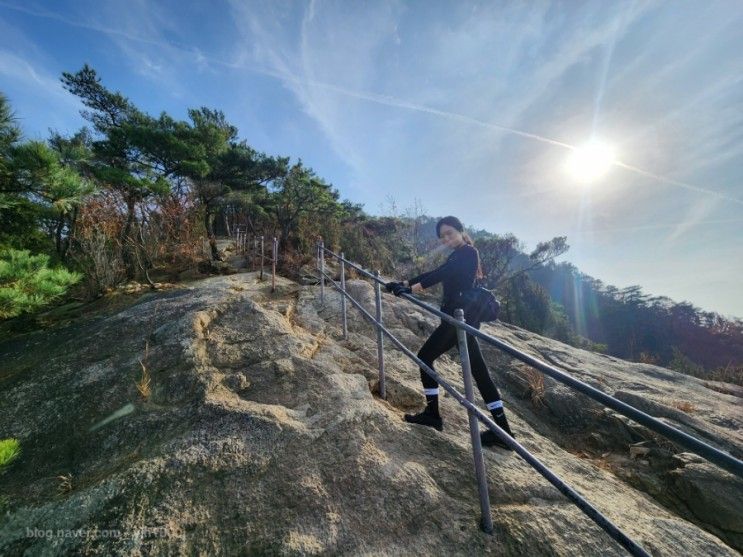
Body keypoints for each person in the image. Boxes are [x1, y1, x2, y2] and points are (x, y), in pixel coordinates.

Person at [385, 216, 516, 450]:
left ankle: (433, 414)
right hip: (460, 319)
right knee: (480, 372)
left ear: (460, 231)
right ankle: (504, 431)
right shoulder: (458, 254)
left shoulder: (468, 252)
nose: (446, 238)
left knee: (424, 357)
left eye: (450, 233)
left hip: (457, 320)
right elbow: (437, 271)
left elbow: (441, 274)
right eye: (442, 236)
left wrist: (411, 289)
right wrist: (403, 282)